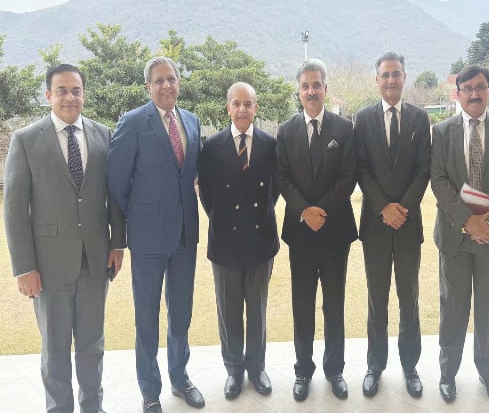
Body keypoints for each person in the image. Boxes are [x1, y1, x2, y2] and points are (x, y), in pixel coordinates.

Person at [4, 64, 126, 413]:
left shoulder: (105, 135)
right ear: (48, 95)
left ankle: (93, 407)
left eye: (76, 90)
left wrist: (118, 242)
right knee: (55, 350)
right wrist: (24, 267)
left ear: (84, 94)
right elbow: (13, 208)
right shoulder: (26, 140)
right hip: (48, 266)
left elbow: (114, 195)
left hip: (95, 262)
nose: (70, 97)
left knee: (92, 345)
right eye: (62, 90)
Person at [107, 57, 204, 413]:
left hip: (184, 237)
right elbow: (117, 183)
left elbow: (192, 175)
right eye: (159, 80)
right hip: (148, 240)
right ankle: (150, 391)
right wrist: (141, 218)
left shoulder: (192, 121)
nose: (167, 86)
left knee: (181, 313)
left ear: (180, 83)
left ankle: (180, 379)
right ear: (148, 86)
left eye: (172, 79)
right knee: (146, 318)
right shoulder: (132, 123)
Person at [430, 65, 489, 405]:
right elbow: (438, 181)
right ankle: (447, 374)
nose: (473, 94)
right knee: (452, 308)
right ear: (458, 93)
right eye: (467, 88)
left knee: (488, 308)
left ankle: (488, 373)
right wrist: (469, 222)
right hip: (456, 237)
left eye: (480, 87)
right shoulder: (441, 131)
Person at [275, 59, 357, 402]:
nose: (311, 91)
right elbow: (282, 177)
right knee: (302, 303)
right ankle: (303, 370)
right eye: (305, 86)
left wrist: (321, 210)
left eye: (317, 85)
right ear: (299, 91)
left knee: (334, 303)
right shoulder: (286, 130)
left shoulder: (344, 128)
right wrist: (304, 211)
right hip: (301, 232)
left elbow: (348, 176)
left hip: (335, 229)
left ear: (325, 88)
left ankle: (334, 369)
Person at [353, 52, 431, 399]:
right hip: (376, 225)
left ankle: (410, 367)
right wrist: (384, 207)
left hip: (408, 224)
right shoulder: (363, 119)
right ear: (376, 80)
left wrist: (402, 208)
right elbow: (361, 170)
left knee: (408, 297)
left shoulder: (419, 118)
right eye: (385, 75)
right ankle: (375, 365)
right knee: (376, 297)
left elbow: (423, 170)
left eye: (396, 74)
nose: (391, 80)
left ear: (405, 77)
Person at [198, 82, 279, 400]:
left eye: (248, 103)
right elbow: (207, 194)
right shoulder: (212, 146)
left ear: (255, 108)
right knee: (229, 311)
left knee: (256, 309)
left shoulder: (270, 144)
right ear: (227, 108)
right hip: (226, 241)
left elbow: (274, 191)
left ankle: (257, 369)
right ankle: (234, 370)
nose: (242, 109)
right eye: (236, 103)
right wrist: (226, 220)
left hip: (260, 240)